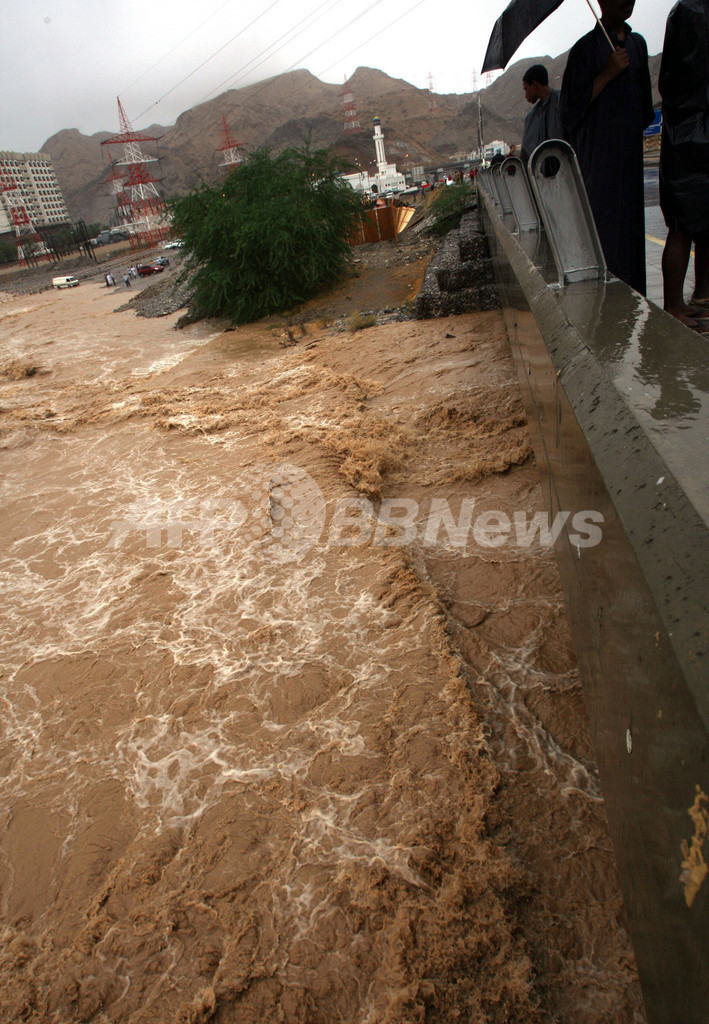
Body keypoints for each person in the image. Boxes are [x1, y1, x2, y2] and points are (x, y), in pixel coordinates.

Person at [561, 0, 654, 295]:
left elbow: (644, 110)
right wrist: (607, 74)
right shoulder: (584, 50)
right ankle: (609, 306)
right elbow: (569, 113)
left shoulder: (638, 45)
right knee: (605, 236)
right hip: (599, 163)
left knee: (631, 236)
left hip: (629, 158)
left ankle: (637, 306)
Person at [659, 0, 709, 328]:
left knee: (685, 224)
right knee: (684, 227)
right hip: (696, 127)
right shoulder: (692, 11)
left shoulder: (683, 11)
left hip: (684, 131)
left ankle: (681, 303)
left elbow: (668, 81)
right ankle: (676, 304)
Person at [520, 64, 563, 165]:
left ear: (534, 85)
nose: (526, 95)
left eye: (526, 89)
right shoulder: (531, 116)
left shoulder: (562, 102)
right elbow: (526, 152)